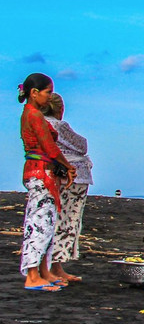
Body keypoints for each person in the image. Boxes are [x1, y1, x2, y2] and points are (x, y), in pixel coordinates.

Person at [17, 74, 75, 291]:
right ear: (34, 93)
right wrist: (68, 166)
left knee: (47, 223)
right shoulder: (34, 115)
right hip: (40, 172)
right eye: (47, 92)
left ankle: (43, 271)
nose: (49, 96)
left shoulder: (30, 114)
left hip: (41, 172)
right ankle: (32, 275)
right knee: (39, 224)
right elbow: (49, 147)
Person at [43, 93, 93, 284]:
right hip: (72, 175)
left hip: (52, 174)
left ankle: (51, 266)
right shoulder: (57, 125)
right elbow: (82, 145)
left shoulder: (37, 124)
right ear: (59, 109)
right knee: (66, 220)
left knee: (53, 218)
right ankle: (55, 266)